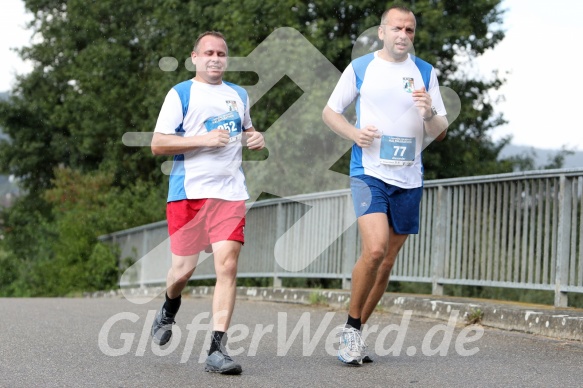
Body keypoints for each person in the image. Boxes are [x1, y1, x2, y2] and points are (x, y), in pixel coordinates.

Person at [322, 5, 448, 365]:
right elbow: (330, 112)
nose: (403, 35)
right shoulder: (361, 67)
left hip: (409, 176)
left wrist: (428, 114)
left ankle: (357, 332)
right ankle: (349, 330)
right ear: (382, 32)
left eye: (409, 30)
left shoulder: (425, 72)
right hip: (369, 170)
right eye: (397, 28)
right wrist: (354, 133)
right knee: (375, 250)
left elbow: (440, 133)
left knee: (388, 261)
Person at [150, 31, 265, 375]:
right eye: (208, 53)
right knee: (182, 270)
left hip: (229, 194)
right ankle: (170, 305)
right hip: (188, 194)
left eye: (221, 53)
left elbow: (245, 129)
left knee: (227, 266)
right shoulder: (181, 93)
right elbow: (158, 144)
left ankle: (217, 349)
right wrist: (202, 140)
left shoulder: (239, 95)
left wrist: (254, 136)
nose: (215, 58)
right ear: (195, 58)